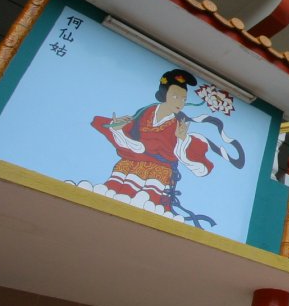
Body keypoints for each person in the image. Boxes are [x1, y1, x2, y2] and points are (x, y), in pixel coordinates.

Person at [90, 69, 214, 214]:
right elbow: (132, 144)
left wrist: (181, 140)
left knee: (145, 209)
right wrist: (118, 129)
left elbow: (198, 167)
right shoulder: (144, 113)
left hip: (158, 174)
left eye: (183, 99)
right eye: (175, 96)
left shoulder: (179, 125)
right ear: (164, 94)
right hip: (129, 167)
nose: (180, 102)